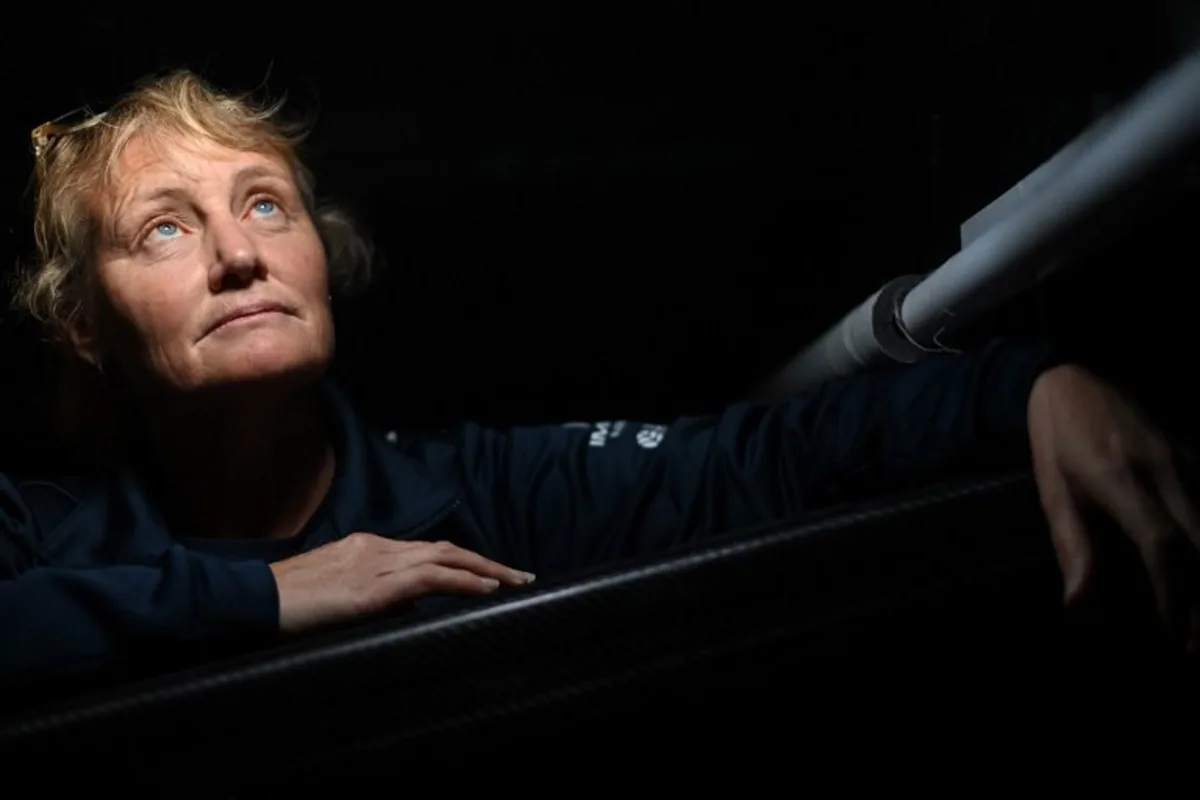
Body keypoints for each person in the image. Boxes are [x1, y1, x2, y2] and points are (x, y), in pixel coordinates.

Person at [1, 70, 1196, 689]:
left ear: (322, 250)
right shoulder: (41, 537)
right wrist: (260, 597)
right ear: (85, 327)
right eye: (163, 228)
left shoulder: (489, 494)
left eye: (266, 201)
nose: (239, 251)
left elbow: (764, 454)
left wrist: (1026, 383)